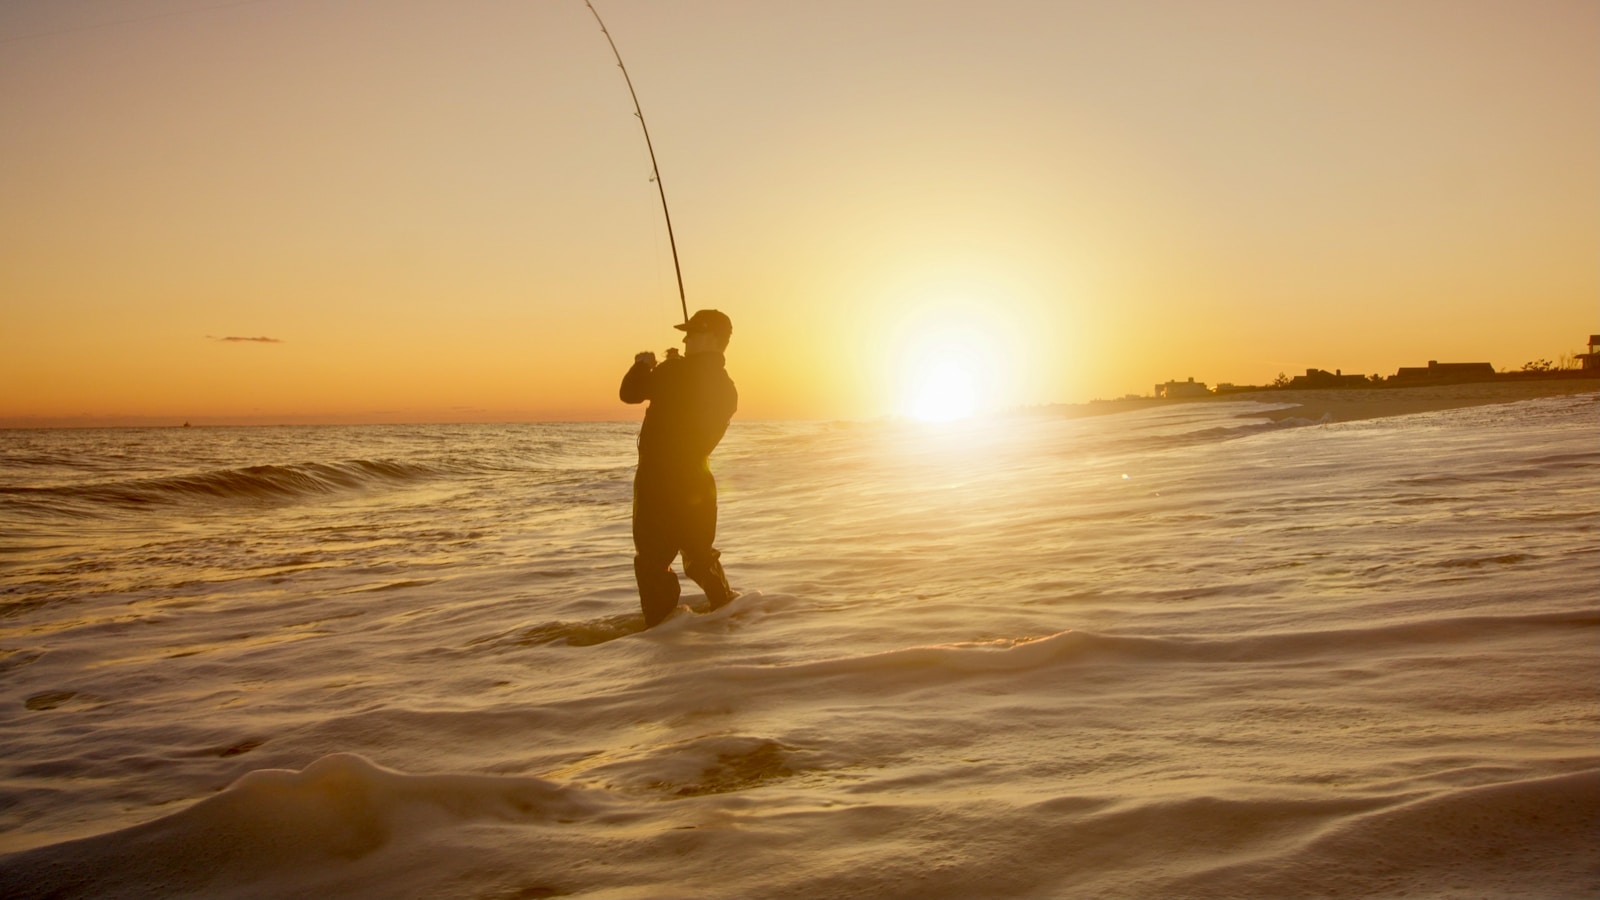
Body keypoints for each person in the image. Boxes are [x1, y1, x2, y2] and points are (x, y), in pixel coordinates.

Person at [619, 309, 738, 626]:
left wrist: (644, 365)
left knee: (652, 564)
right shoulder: (727, 388)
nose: (685, 339)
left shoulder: (673, 373)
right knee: (699, 557)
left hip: (657, 485)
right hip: (696, 482)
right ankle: (732, 617)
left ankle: (661, 632)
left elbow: (629, 393)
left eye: (693, 334)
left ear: (713, 339)